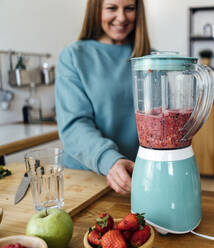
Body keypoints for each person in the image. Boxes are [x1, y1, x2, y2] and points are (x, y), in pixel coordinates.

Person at [55, 0, 151, 195]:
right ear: (96, 10)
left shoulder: (151, 59)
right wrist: (110, 160)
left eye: (129, 8)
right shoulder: (73, 56)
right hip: (86, 178)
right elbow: (74, 125)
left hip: (138, 178)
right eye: (112, 8)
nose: (122, 17)